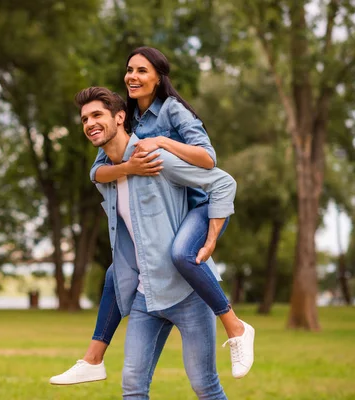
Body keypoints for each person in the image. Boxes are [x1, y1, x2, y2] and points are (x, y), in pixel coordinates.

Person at [50, 47, 254, 386]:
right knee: (118, 270)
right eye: (129, 69)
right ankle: (93, 359)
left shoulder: (170, 113)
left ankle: (235, 325)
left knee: (181, 254)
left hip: (200, 203)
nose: (132, 76)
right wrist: (127, 167)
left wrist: (160, 143)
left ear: (159, 77)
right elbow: (98, 170)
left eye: (142, 71)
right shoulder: (128, 121)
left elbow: (209, 162)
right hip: (149, 288)